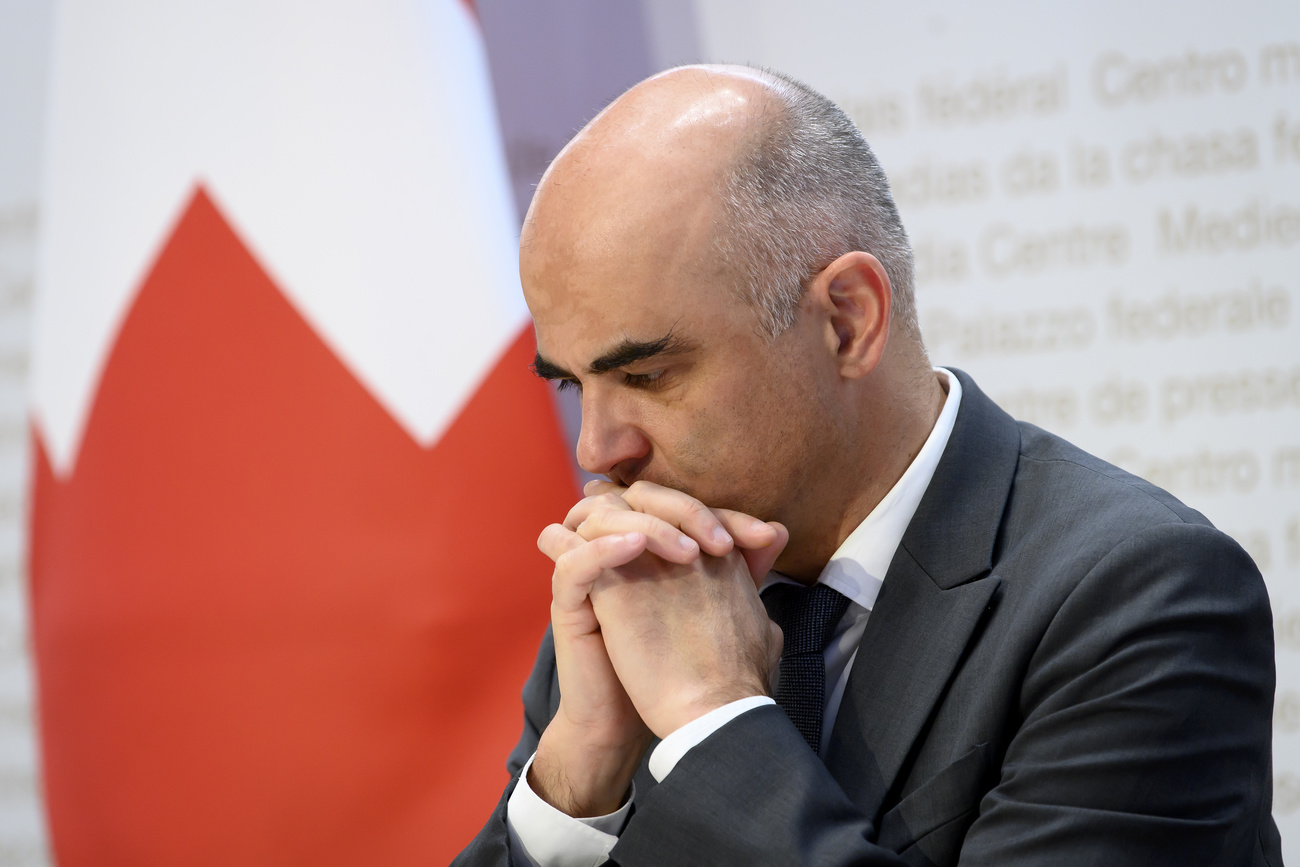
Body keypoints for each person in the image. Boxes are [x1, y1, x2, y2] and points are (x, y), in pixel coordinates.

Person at [454, 65, 1282, 866]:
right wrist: (573, 783)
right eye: (571, 382)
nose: (598, 450)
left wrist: (710, 719)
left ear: (848, 322)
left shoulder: (1140, 595)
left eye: (647, 374)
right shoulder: (639, 589)